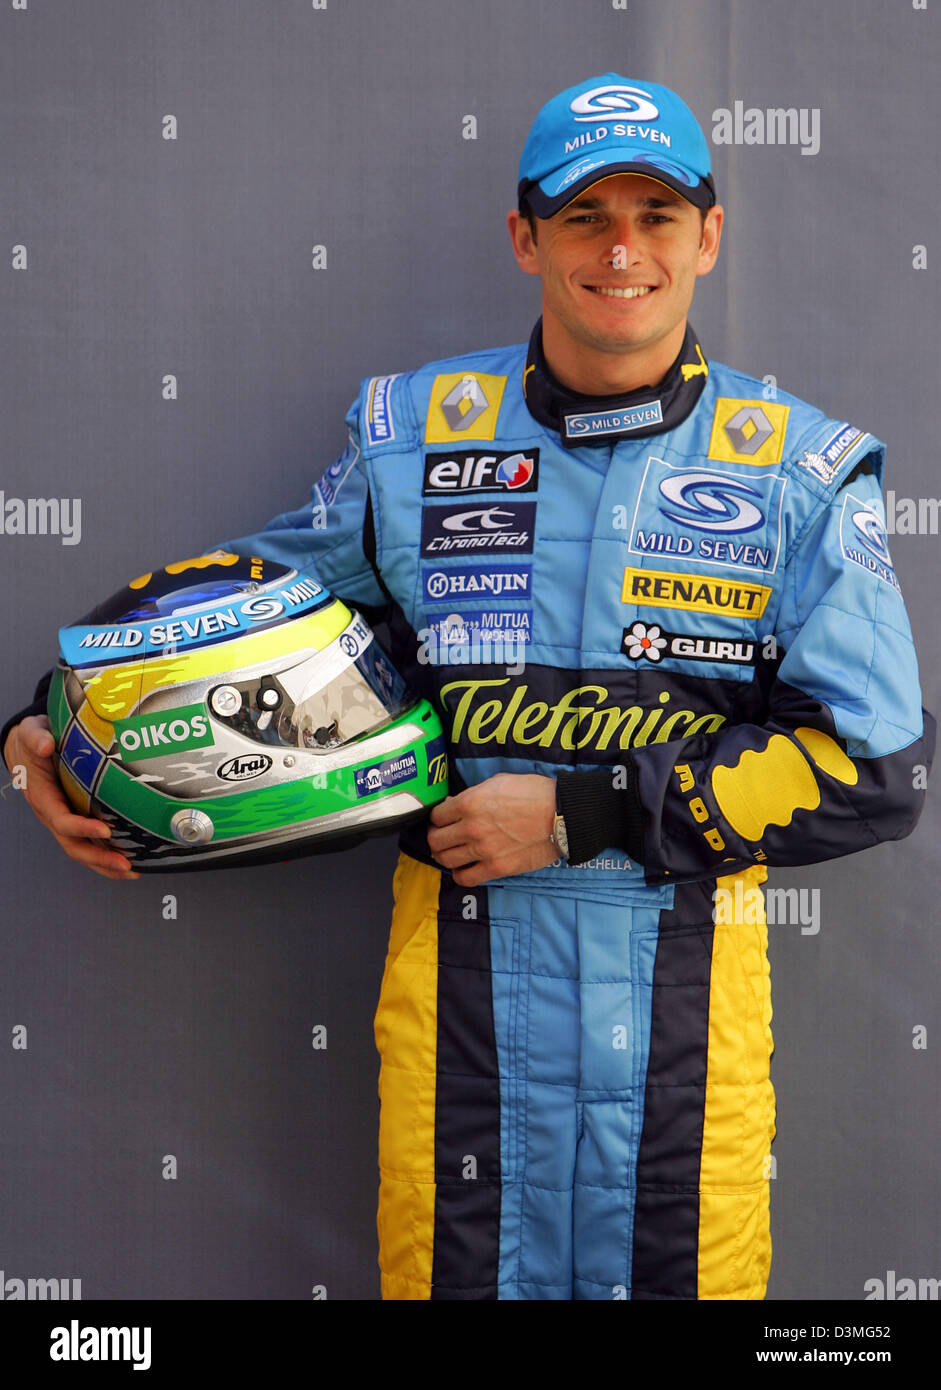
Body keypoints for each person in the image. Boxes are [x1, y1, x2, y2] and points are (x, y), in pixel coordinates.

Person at [3, 75, 933, 1301]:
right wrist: (54, 727)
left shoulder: (800, 473)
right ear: (523, 237)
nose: (620, 247)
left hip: (684, 1052)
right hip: (454, 1028)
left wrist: (573, 816)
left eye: (655, 214)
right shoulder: (411, 440)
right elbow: (234, 616)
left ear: (708, 235)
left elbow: (876, 769)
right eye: (581, 213)